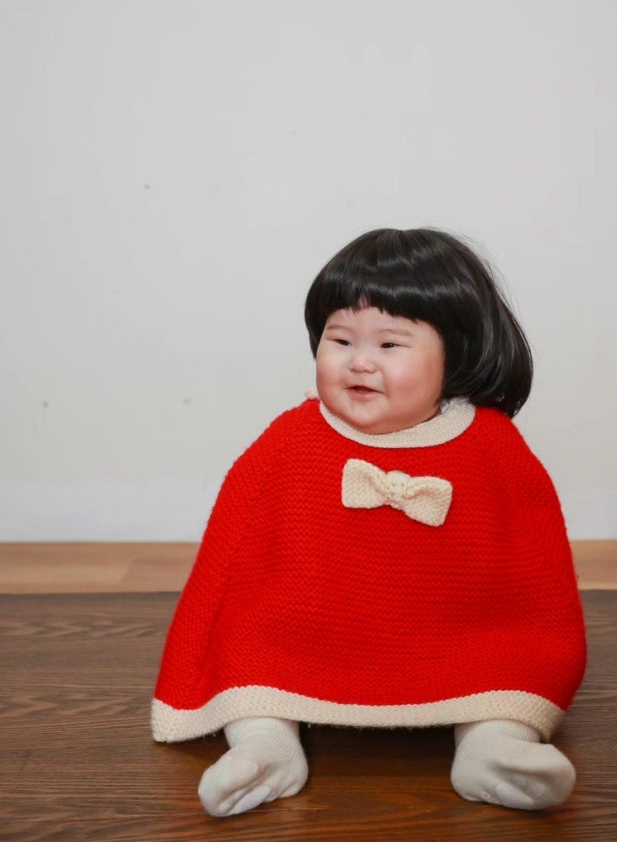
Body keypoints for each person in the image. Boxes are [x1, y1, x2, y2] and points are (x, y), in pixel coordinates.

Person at [151, 227, 587, 816]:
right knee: (250, 650)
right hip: (306, 633)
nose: (359, 361)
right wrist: (208, 640)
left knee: (508, 661)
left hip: (458, 634)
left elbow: (537, 569)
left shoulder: (491, 445)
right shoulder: (291, 438)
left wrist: (533, 637)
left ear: (455, 352)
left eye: (389, 344)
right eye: (339, 339)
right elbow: (228, 558)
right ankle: (265, 744)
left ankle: (493, 745)